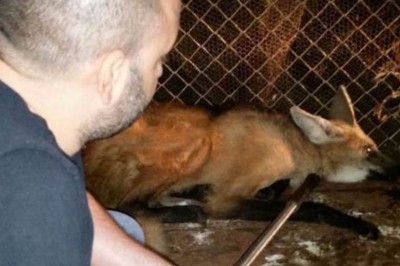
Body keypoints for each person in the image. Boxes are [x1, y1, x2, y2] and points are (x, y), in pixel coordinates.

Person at [0, 0, 180, 265]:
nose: (160, 72)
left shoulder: (30, 111)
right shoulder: (32, 188)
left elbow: (61, 200)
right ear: (111, 76)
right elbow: (39, 200)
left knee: (125, 228)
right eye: (159, 59)